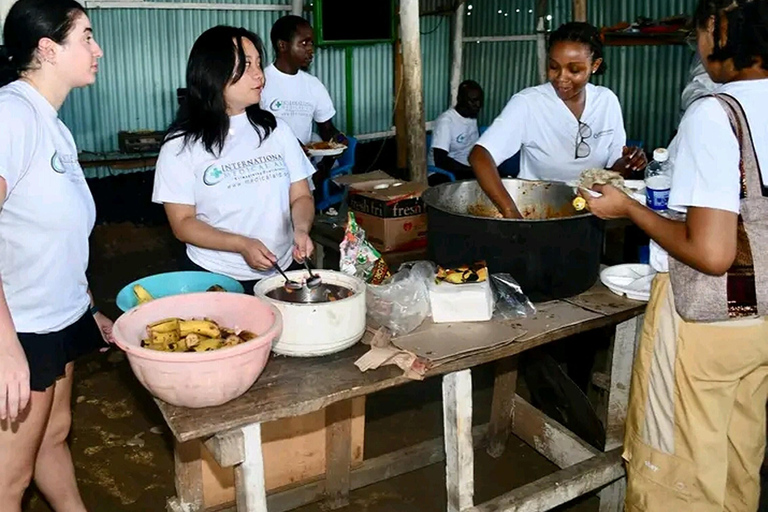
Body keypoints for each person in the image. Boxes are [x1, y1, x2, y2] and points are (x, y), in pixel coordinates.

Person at [580, 0, 768, 509]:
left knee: (679, 473)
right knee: (737, 457)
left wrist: (627, 209)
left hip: (707, 322)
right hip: (762, 326)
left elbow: (711, 252)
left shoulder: (716, 113)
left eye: (701, 30)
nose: (699, 44)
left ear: (720, 28)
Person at [0, 1, 112, 510]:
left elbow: (56, 233)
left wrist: (86, 307)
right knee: (10, 476)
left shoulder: (55, 126)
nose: (98, 49)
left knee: (54, 433)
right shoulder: (11, 115)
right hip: (19, 326)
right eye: (86, 37)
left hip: (58, 317)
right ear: (47, 49)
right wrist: (5, 348)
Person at [152, 25, 316, 293]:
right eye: (246, 65)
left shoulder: (276, 130)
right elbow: (183, 224)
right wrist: (241, 243)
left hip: (284, 272)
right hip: (217, 278)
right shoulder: (180, 145)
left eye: (259, 64)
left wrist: (300, 229)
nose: (258, 74)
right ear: (214, 73)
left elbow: (301, 196)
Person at [469, 22, 646, 219]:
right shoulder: (528, 103)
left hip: (592, 213)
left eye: (575, 70)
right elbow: (480, 156)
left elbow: (614, 169)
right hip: (538, 212)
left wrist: (631, 162)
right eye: (554, 67)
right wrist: (510, 211)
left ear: (594, 66)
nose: (562, 78)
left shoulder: (607, 101)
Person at [260, 15, 347, 190]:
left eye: (311, 44)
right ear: (282, 45)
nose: (311, 50)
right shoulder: (260, 82)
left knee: (304, 216)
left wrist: (339, 142)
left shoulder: (313, 85)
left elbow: (327, 130)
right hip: (267, 175)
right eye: (304, 43)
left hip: (302, 173)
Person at [429, 80, 484, 180]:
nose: (478, 105)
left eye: (480, 100)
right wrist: (470, 171)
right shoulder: (446, 122)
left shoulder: (471, 115)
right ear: (460, 99)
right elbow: (440, 161)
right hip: (444, 172)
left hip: (469, 166)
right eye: (473, 101)